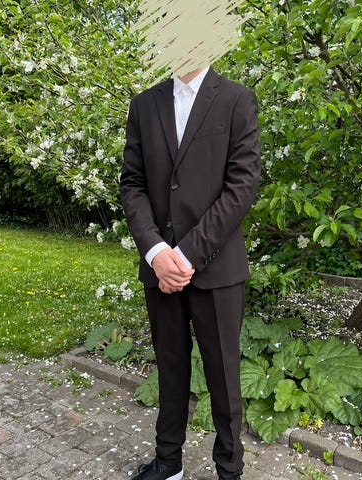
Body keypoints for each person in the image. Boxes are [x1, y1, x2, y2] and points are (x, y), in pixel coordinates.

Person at [119, 64, 260, 480]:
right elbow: (133, 184)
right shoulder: (144, 105)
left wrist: (186, 254)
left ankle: (229, 471)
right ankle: (169, 463)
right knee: (170, 368)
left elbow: (242, 185)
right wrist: (156, 251)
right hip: (160, 268)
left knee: (224, 378)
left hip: (217, 268)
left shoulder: (236, 99)